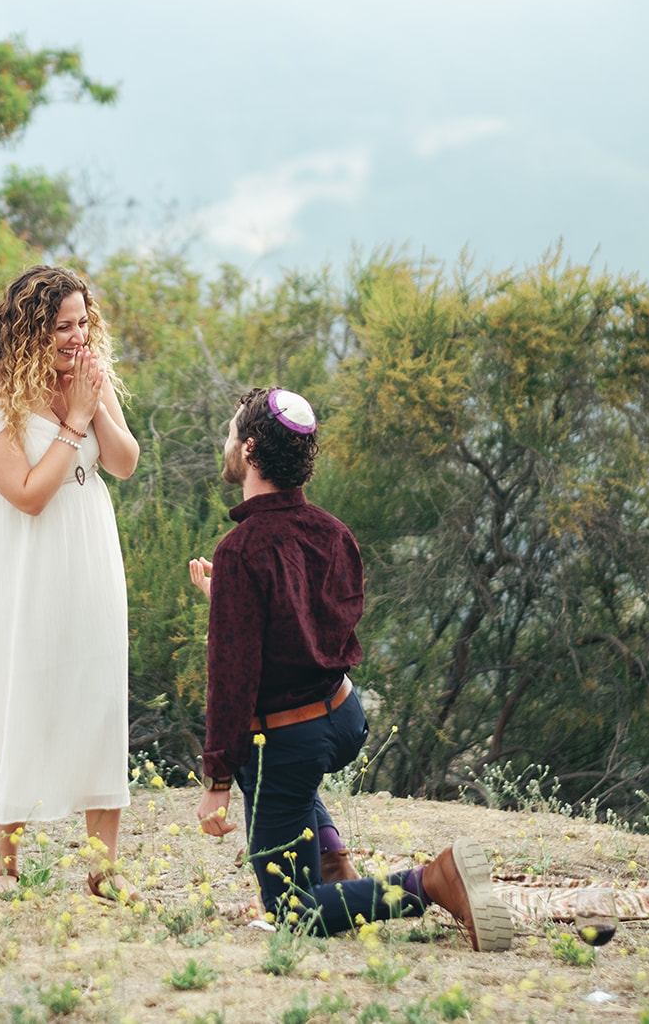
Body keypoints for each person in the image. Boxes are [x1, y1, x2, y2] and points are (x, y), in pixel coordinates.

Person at [187, 386, 512, 949]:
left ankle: (432, 883)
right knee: (271, 764)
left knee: (294, 912)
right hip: (342, 718)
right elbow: (311, 628)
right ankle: (333, 854)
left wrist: (216, 780)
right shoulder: (333, 532)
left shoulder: (242, 550)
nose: (226, 440)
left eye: (232, 430)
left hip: (291, 740)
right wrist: (233, 599)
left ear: (252, 446)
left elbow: (232, 680)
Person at [0, 265, 141, 901]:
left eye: (83, 323)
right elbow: (25, 494)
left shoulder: (86, 371)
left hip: (87, 538)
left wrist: (94, 401)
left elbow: (124, 464)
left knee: (99, 688)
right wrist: (73, 421)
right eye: (62, 327)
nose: (77, 337)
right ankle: (4, 865)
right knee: (20, 685)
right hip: (19, 554)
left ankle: (103, 871)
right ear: (28, 329)